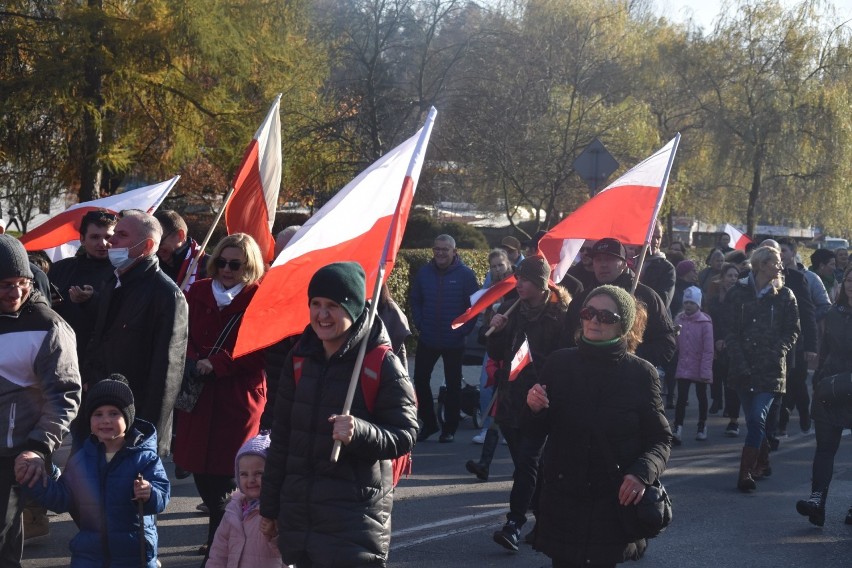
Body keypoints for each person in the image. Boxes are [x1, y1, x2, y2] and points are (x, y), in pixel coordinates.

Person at [259, 262, 419, 567]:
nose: (321, 315)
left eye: (333, 306)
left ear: (355, 308)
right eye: (315, 304)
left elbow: (406, 434)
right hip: (300, 519)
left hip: (353, 522)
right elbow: (281, 437)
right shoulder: (300, 357)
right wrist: (270, 508)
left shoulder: (379, 362)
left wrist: (359, 432)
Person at [524, 285, 671, 568]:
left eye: (606, 316)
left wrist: (641, 474)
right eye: (588, 312)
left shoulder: (641, 373)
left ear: (623, 325)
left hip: (612, 502)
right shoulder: (559, 363)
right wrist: (533, 408)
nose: (594, 320)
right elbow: (532, 432)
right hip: (563, 500)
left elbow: (661, 440)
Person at [172, 233, 268, 560]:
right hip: (198, 395)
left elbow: (260, 349)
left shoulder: (258, 299)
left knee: (232, 472)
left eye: (235, 264)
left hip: (236, 398)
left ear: (249, 266)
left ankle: (220, 542)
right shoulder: (196, 292)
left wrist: (217, 363)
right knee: (200, 468)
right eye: (222, 262)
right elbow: (179, 333)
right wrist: (192, 359)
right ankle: (221, 531)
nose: (227, 269)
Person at [17, 375, 170, 567]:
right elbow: (62, 499)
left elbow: (162, 496)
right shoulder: (81, 459)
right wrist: (34, 481)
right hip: (89, 556)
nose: (105, 420)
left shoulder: (144, 458)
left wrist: (149, 493)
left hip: (133, 554)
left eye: (114, 413)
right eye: (98, 414)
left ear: (128, 417)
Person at [0, 234, 82, 564]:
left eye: (22, 282)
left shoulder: (48, 327)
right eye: (6, 284)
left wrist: (38, 447)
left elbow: (64, 396)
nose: (16, 292)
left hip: (16, 451)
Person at [81, 209, 189, 456]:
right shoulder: (113, 281)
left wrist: (147, 432)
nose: (111, 241)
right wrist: (89, 379)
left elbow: (167, 375)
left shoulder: (167, 295)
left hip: (135, 423)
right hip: (101, 415)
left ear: (147, 245)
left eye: (122, 235)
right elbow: (98, 339)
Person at [486, 256, 571, 551]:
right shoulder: (514, 311)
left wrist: (544, 380)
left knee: (527, 463)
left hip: (541, 400)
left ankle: (514, 523)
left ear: (540, 282)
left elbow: (565, 359)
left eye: (524, 279)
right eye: (518, 278)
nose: (518, 284)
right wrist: (495, 328)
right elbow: (499, 353)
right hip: (511, 400)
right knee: (528, 466)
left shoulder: (559, 315)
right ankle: (546, 520)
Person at [721, 246, 799, 492]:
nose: (780, 265)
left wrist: (778, 350)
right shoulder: (738, 293)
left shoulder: (785, 295)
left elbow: (793, 330)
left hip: (770, 369)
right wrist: (738, 359)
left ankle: (745, 472)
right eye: (776, 261)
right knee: (756, 422)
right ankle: (763, 461)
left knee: (756, 417)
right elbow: (730, 330)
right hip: (743, 367)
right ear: (762, 264)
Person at [563, 238, 677, 373]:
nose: (603, 264)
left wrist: (630, 360)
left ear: (624, 263)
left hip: (631, 380)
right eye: (598, 259)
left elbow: (666, 343)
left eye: (610, 259)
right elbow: (566, 341)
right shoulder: (581, 301)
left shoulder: (646, 297)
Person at [796, 264, 852, 526]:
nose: (851, 283)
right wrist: (818, 380)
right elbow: (825, 350)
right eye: (849, 278)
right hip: (830, 388)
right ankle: (816, 502)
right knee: (825, 449)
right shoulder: (833, 313)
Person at [409, 234, 479, 442]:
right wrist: (420, 322)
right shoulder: (424, 273)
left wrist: (464, 330)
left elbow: (474, 306)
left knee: (453, 385)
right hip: (428, 337)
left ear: (454, 252)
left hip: (454, 340)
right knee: (420, 380)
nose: (440, 253)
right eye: (437, 249)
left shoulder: (466, 275)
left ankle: (449, 428)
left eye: (444, 249)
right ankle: (429, 424)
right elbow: (415, 299)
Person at [49, 209, 118, 361]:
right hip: (58, 352)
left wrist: (92, 300)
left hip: (98, 358)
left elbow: (120, 314)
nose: (103, 243)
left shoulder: (123, 272)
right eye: (95, 237)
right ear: (82, 239)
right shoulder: (60, 268)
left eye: (108, 237)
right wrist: (46, 302)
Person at [207, 433, 283, 567]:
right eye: (244, 474)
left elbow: (290, 555)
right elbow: (218, 553)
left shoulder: (278, 510)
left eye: (259, 473)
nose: (251, 480)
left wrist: (274, 535)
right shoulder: (233, 509)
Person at [471, 248, 514, 445]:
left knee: (509, 388)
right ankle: (487, 428)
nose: (497, 269)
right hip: (493, 343)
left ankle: (506, 429)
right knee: (487, 385)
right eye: (493, 266)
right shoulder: (490, 289)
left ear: (508, 264)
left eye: (500, 265)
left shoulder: (515, 286)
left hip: (511, 343)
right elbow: (484, 315)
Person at [671, 286, 714, 445]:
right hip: (684, 365)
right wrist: (674, 334)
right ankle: (678, 427)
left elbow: (708, 349)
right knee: (681, 398)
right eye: (686, 302)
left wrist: (705, 371)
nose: (688, 306)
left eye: (692, 303)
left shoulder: (705, 322)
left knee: (702, 396)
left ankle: (702, 425)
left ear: (698, 304)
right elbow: (675, 345)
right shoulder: (679, 320)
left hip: (700, 365)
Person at [705, 263, 743, 432]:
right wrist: (717, 338)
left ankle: (733, 416)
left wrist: (730, 339)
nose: (733, 279)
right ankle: (717, 400)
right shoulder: (715, 298)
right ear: (723, 278)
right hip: (716, 341)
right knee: (717, 375)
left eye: (736, 276)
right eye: (730, 276)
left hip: (735, 344)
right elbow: (713, 319)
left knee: (732, 380)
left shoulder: (742, 298)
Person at [153, 209, 208, 292]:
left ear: (180, 235)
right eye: (153, 243)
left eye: (160, 241)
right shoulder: (151, 267)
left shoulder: (210, 267)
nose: (156, 249)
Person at [639, 221, 676, 310]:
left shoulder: (667, 268)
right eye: (652, 237)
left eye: (658, 238)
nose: (655, 241)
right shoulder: (631, 261)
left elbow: (663, 302)